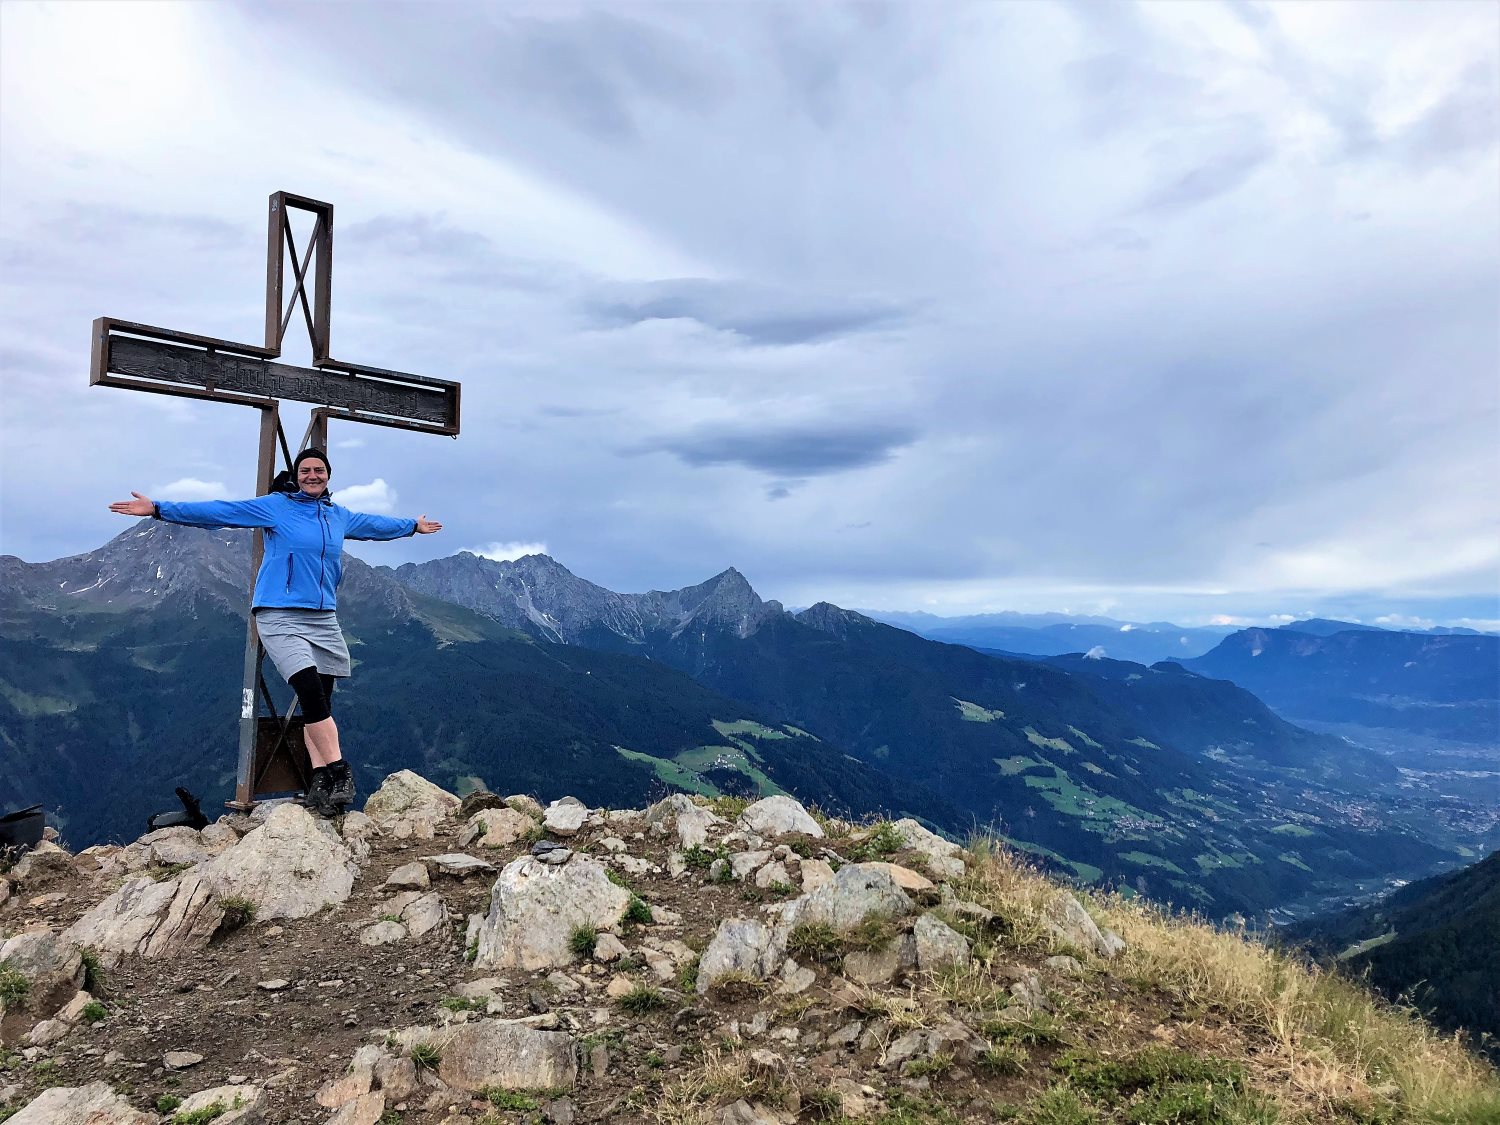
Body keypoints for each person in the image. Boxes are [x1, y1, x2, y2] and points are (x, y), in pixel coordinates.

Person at [109, 448, 442, 816]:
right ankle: (339, 772)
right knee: (310, 692)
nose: (312, 475)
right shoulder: (276, 507)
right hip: (279, 614)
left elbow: (376, 525)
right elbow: (221, 511)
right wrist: (158, 508)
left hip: (322, 617)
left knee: (322, 705)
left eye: (319, 470)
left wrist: (412, 526)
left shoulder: (338, 516)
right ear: (296, 475)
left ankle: (317, 782)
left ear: (328, 475)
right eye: (305, 470)